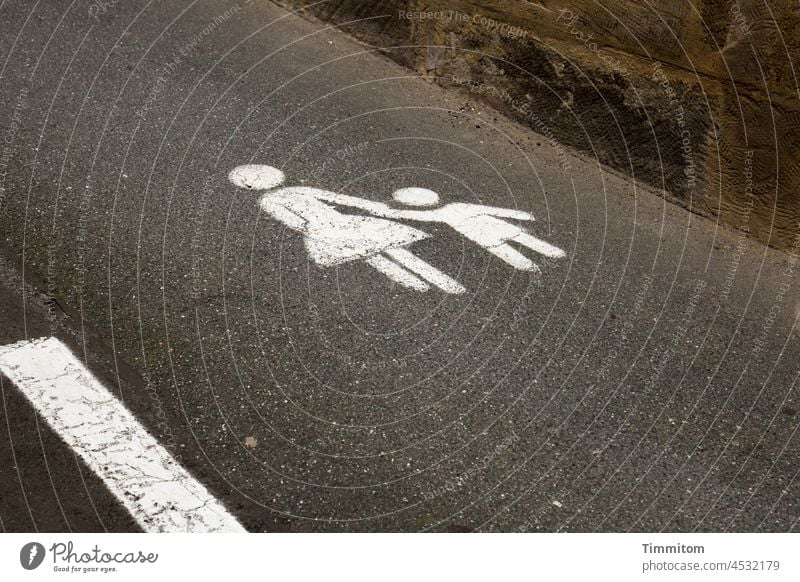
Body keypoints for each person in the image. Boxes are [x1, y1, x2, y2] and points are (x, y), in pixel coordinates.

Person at [228, 165, 465, 294]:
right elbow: (293, 218)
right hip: (326, 228)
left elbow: (334, 198)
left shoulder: (286, 196)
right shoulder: (272, 200)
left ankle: (426, 281)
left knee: (379, 250)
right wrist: (311, 228)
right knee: (377, 252)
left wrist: (367, 205)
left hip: (335, 224)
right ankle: (421, 282)